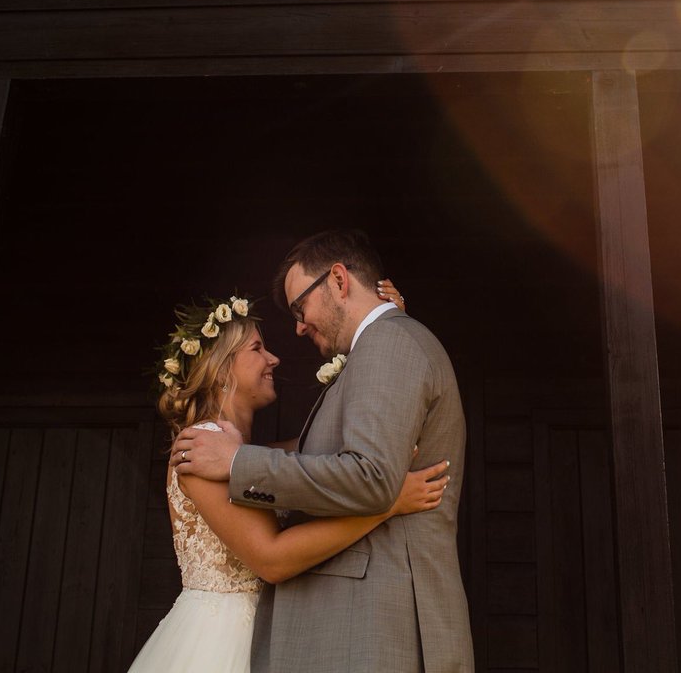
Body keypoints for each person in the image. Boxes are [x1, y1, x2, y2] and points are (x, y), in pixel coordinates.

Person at [172, 230, 475, 672]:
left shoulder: (388, 343)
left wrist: (237, 462)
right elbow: (321, 456)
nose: (297, 328)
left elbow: (370, 477)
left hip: (378, 625)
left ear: (338, 280)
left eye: (300, 307)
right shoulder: (385, 345)